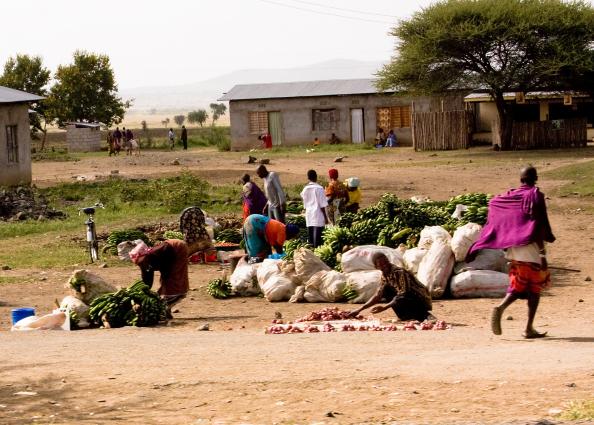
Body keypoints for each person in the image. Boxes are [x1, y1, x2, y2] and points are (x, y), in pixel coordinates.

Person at [468, 166, 555, 339]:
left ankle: (527, 326)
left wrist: (506, 240)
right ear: (535, 178)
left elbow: (495, 204)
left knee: (523, 285)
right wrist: (543, 254)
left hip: (515, 248)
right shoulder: (535, 196)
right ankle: (506, 312)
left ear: (521, 179)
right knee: (533, 289)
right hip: (531, 249)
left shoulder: (510, 196)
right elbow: (536, 226)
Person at [348, 253, 433, 321]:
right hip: (406, 298)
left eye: (386, 262)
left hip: (419, 299)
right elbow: (378, 295)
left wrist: (384, 307)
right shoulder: (384, 276)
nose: (385, 265)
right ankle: (405, 316)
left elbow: (405, 293)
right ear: (376, 267)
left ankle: (425, 315)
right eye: (381, 264)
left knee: (403, 294)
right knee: (386, 289)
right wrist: (359, 309)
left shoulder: (399, 272)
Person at [129, 239, 189, 316]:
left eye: (140, 261)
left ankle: (167, 306)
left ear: (144, 256)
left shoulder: (156, 254)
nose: (140, 264)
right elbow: (147, 278)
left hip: (177, 248)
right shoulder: (144, 262)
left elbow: (167, 268)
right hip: (170, 253)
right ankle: (166, 308)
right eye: (138, 263)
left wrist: (165, 280)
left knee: (174, 280)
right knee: (166, 283)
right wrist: (144, 291)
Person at [300, 170, 329, 248]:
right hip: (318, 214)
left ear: (308, 178)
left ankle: (311, 251)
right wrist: (326, 217)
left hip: (309, 214)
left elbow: (304, 201)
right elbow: (322, 205)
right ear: (316, 177)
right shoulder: (319, 188)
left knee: (311, 235)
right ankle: (316, 251)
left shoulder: (305, 189)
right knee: (318, 236)